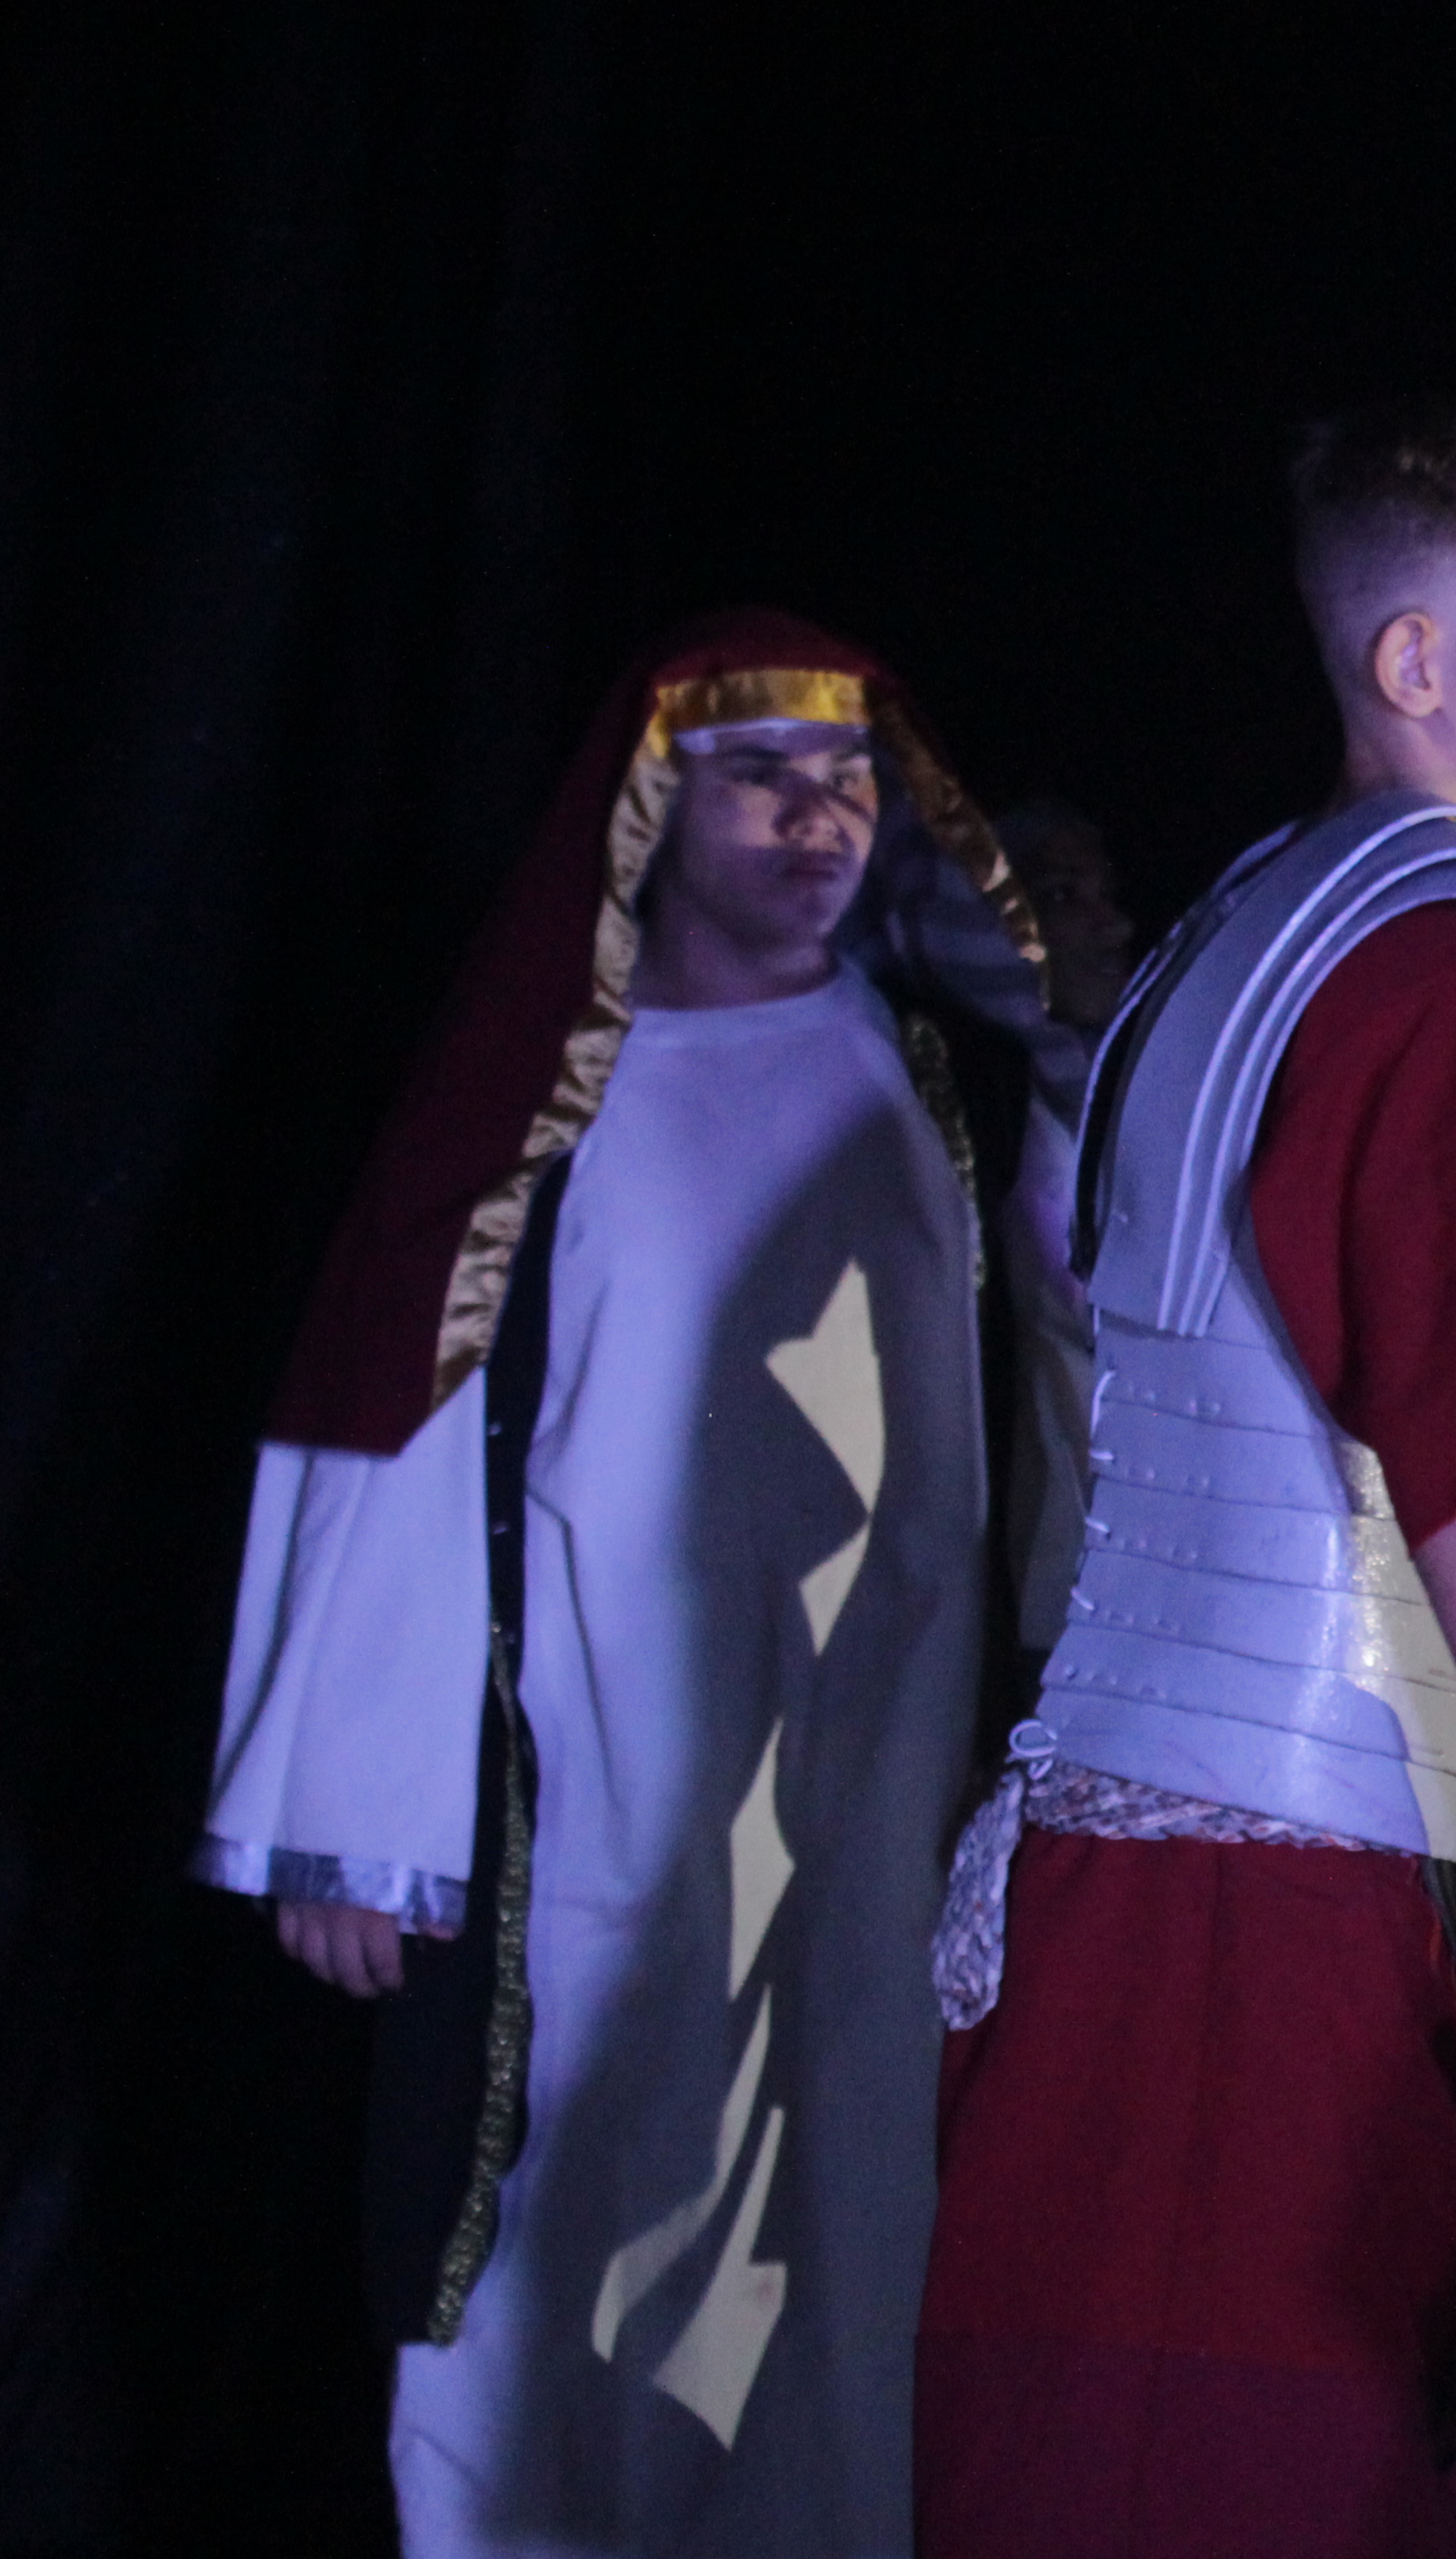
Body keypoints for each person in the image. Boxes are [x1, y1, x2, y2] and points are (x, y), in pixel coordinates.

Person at [201, 611, 1082, 2555]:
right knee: (572, 2199)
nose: (818, 819)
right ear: (648, 812)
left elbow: (1033, 1381)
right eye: (761, 777)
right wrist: (358, 1812)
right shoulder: (543, 1097)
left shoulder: (922, 1072)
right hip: (603, 1772)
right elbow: (397, 1414)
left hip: (868, 1791)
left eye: (848, 778)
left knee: (841, 2209)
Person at [912, 398, 1456, 2558]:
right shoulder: (1440, 961)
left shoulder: (1242, 922)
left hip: (1127, 1867)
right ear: (1414, 661)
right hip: (1243, 1935)